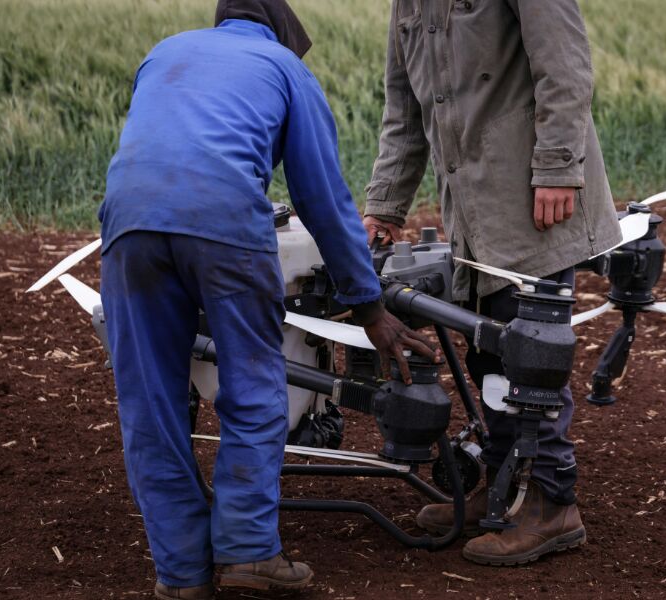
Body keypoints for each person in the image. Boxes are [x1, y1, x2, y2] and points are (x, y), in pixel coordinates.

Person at [99, 1, 438, 598]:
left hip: (128, 224)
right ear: (283, 31)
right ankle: (249, 552)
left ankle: (180, 575)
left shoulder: (165, 53)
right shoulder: (285, 67)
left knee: (150, 405)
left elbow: (161, 144)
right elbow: (323, 200)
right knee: (254, 386)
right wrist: (369, 306)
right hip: (225, 222)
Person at [363, 0, 622, 566]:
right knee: (489, 351)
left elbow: (566, 64)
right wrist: (385, 205)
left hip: (534, 198)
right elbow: (405, 106)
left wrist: (557, 166)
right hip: (472, 207)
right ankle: (504, 484)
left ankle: (553, 502)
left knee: (534, 353)